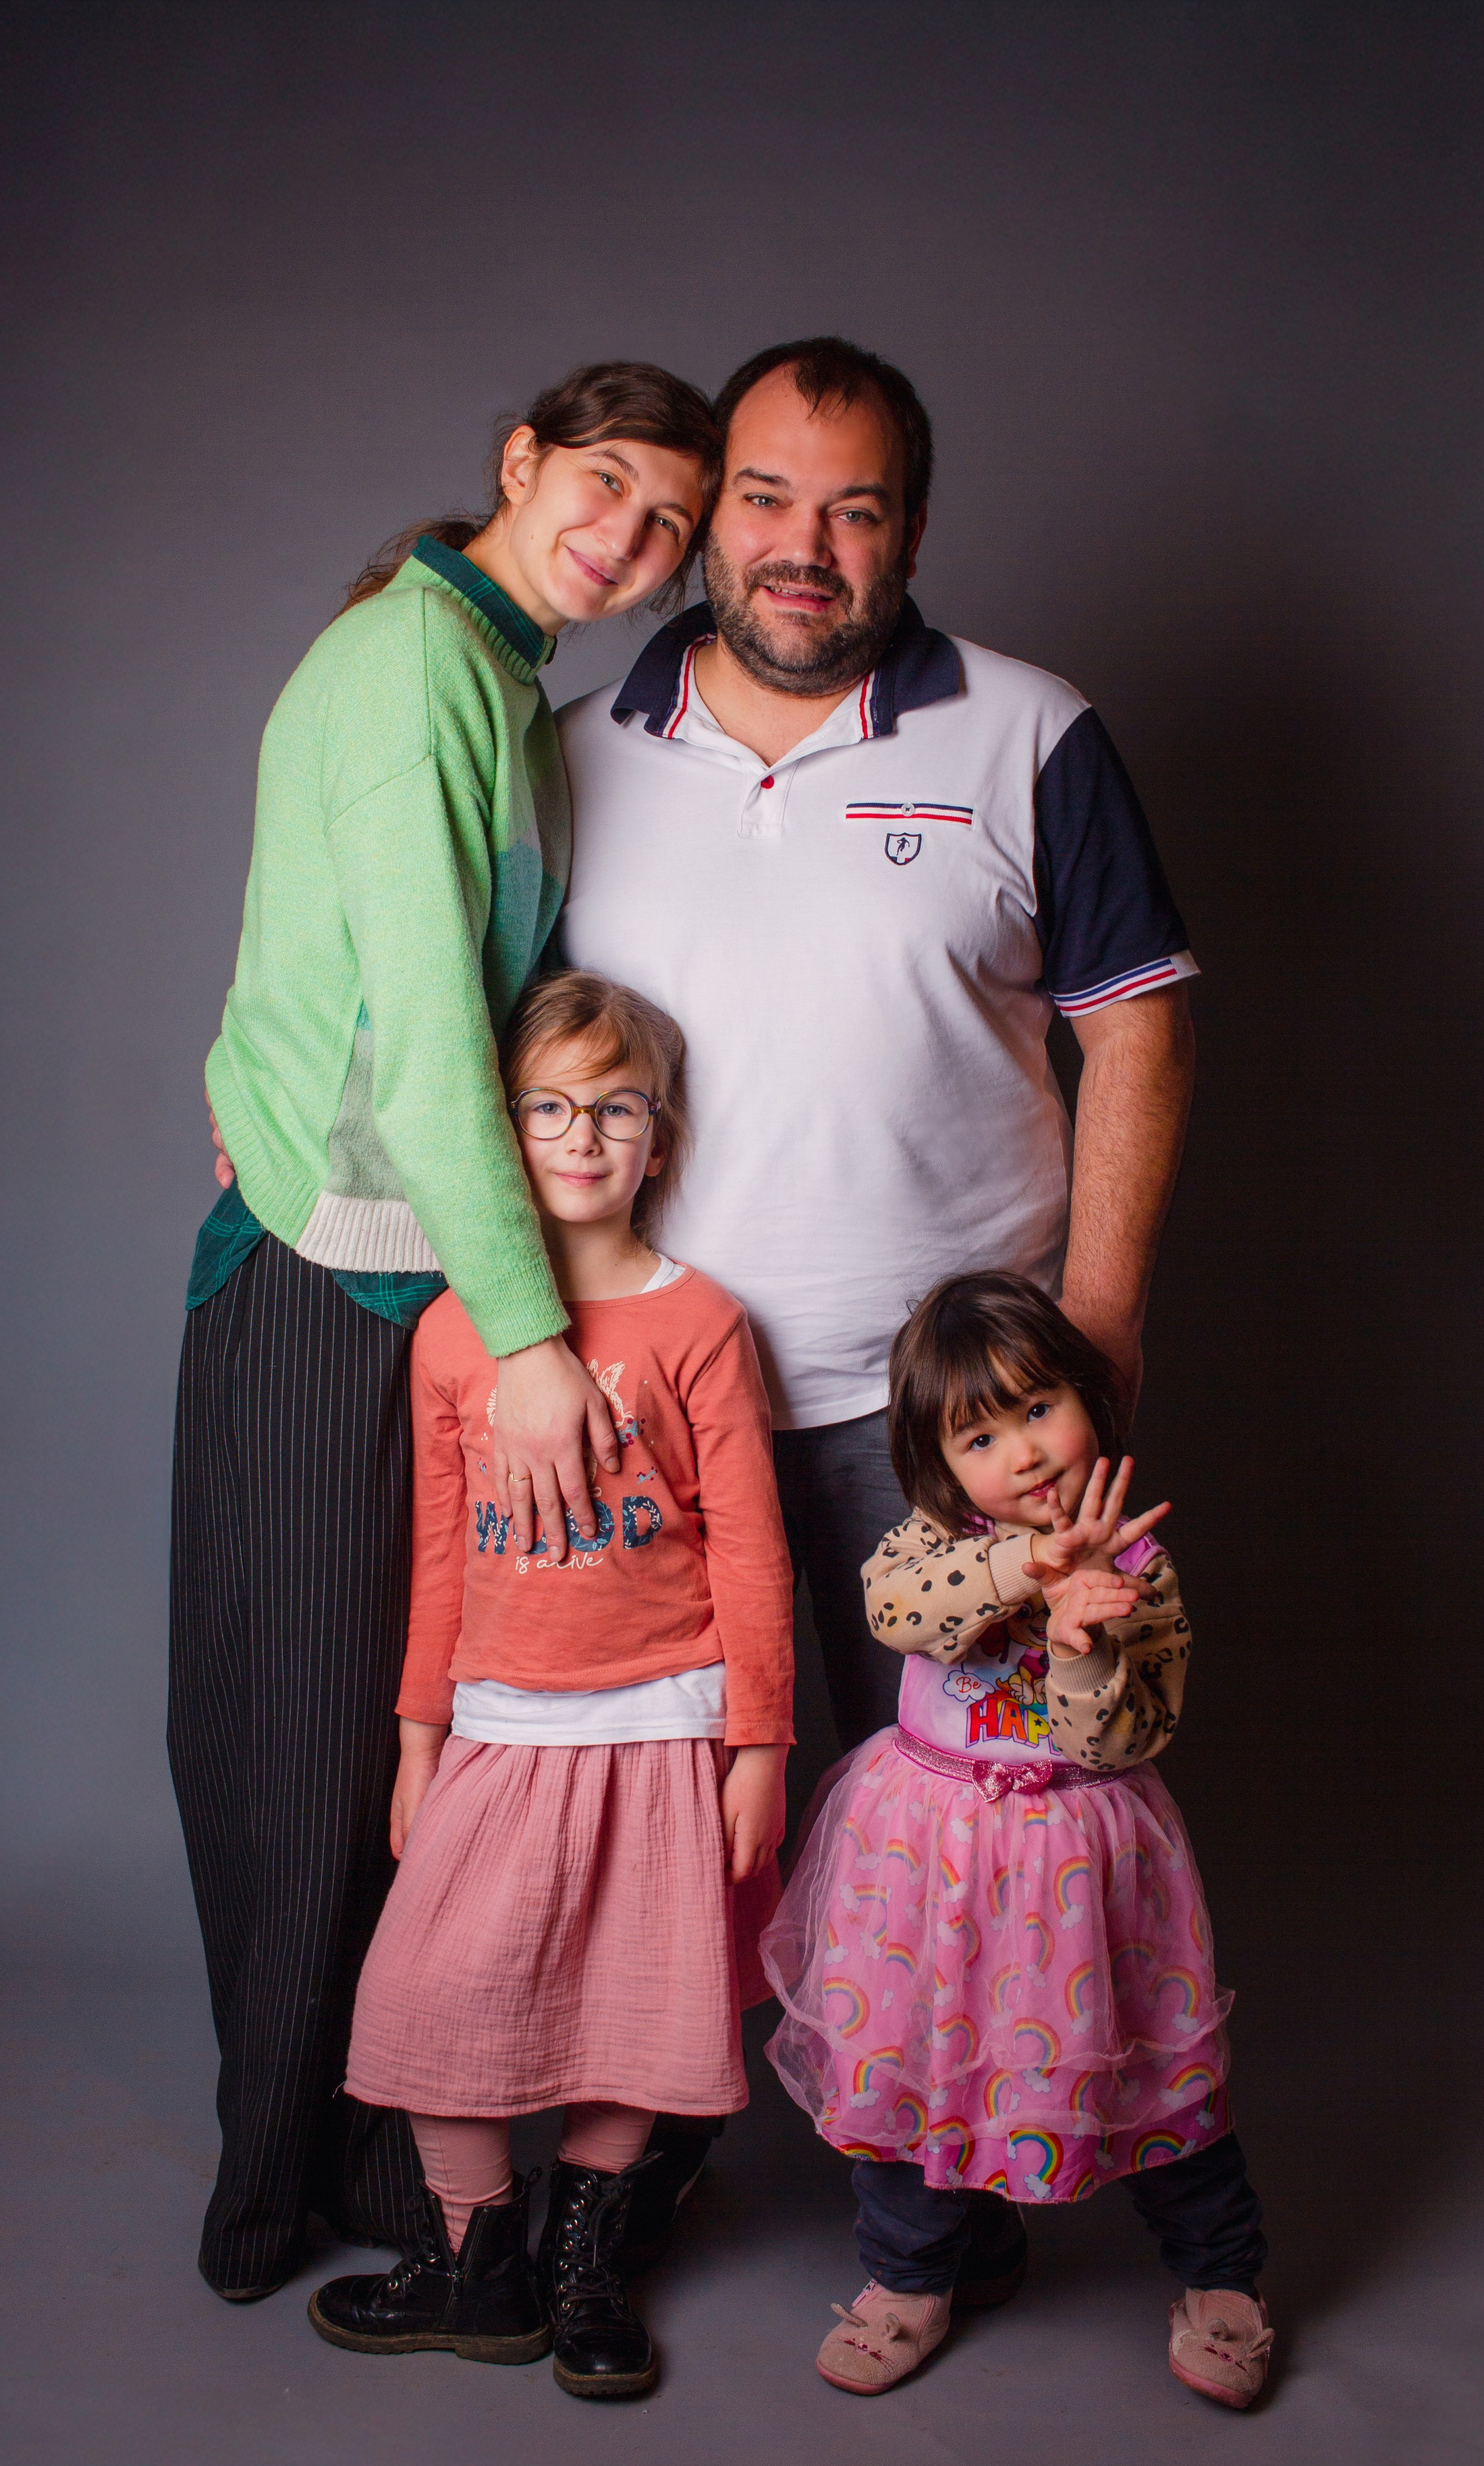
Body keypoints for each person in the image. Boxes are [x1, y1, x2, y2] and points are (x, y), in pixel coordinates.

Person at [555, 332, 1199, 2230]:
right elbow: (457, 1021)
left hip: (933, 1431)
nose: (802, 546)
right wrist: (269, 1102)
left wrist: (1101, 1334)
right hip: (647, 1413)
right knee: (656, 1831)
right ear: (707, 515)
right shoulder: (578, 756)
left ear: (914, 526)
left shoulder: (1029, 731)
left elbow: (1140, 1034)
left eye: (854, 507)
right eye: (764, 497)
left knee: (992, 1826)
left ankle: (972, 2212)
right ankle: (630, 2188)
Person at [171, 365, 720, 2301]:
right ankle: (276, 2198)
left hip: (430, 1282)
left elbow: (385, 976)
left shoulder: (500, 685)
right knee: (296, 1745)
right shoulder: (416, 661)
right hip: (334, 1283)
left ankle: (412, 2183)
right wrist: (538, 1340)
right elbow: (411, 1037)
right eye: (603, 489)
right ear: (519, 464)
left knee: (412, 1744)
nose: (630, 543)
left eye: (668, 522)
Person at [304, 973, 794, 2397]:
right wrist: (416, 1737)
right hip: (504, 1726)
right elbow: (440, 1556)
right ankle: (482, 2264)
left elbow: (754, 1556)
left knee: (637, 2006)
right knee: (427, 1992)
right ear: (500, 1133)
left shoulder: (699, 1321)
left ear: (660, 1137)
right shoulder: (456, 1333)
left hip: (665, 1722)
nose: (582, 1137)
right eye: (548, 1109)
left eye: (616, 1109)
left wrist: (755, 1745)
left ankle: (586, 2262)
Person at [761, 1272, 1270, 2407]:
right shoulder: (928, 1543)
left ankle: (1220, 2275)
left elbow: (1125, 1735)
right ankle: (908, 2277)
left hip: (1080, 1866)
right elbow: (900, 1615)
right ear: (940, 1467)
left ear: (1088, 1400)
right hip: (924, 1857)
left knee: (1143, 2067)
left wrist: (1087, 1639)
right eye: (980, 1436)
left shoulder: (1141, 1566)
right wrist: (1026, 1569)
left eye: (1040, 1408)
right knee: (914, 2062)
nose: (1025, 1453)